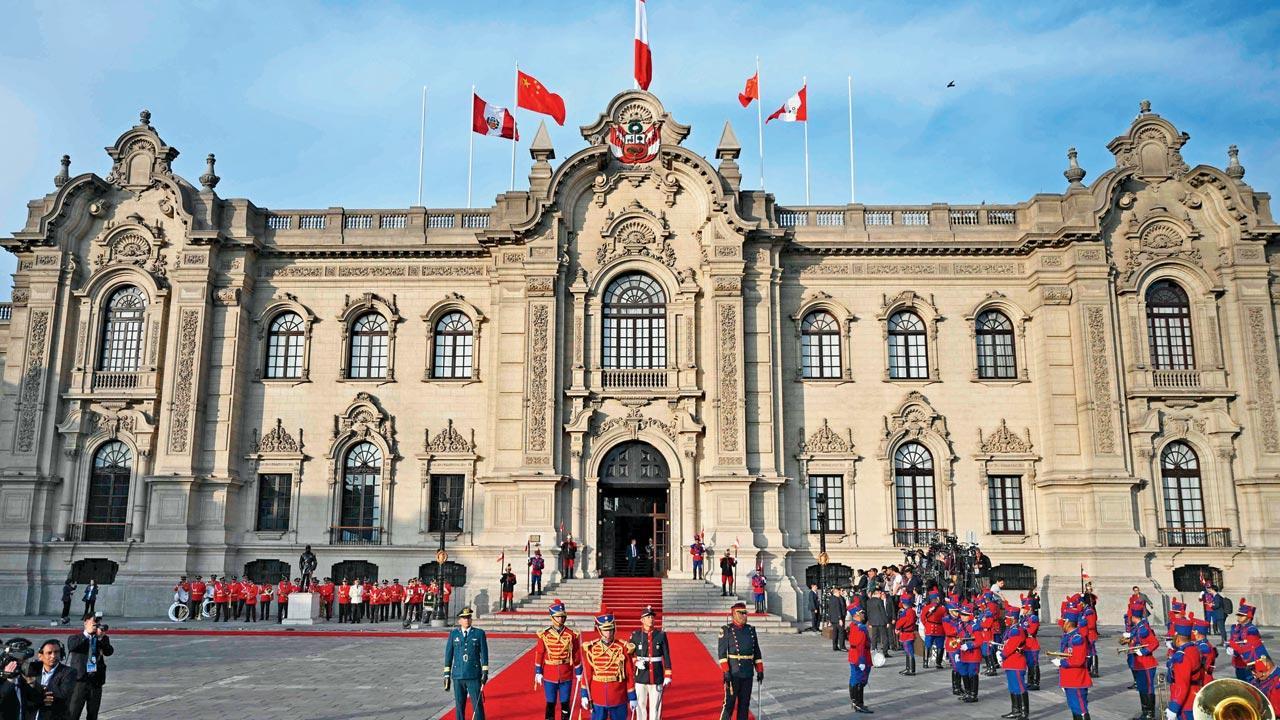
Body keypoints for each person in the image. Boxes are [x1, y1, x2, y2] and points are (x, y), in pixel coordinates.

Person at [582, 610, 637, 720]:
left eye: (610, 630)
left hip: (618, 696)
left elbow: (629, 674)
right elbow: (587, 674)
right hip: (598, 696)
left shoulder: (623, 648)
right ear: (599, 630)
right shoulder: (592, 649)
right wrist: (584, 694)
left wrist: (632, 696)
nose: (608, 633)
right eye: (605, 630)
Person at [535, 599, 582, 720]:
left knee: (565, 703)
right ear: (552, 617)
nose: (560, 619)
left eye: (562, 616)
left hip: (566, 673)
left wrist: (578, 672)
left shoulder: (571, 634)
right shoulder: (545, 635)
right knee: (550, 703)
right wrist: (538, 672)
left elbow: (576, 653)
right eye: (558, 616)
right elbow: (540, 653)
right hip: (550, 673)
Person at [717, 602, 762, 720]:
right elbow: (722, 654)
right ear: (734, 614)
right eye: (741, 613)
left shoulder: (751, 630)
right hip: (734, 672)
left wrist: (760, 669)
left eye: (745, 613)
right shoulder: (726, 630)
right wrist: (726, 671)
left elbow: (756, 651)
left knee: (744, 703)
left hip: (748, 672)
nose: (744, 616)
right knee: (729, 704)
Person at [443, 607, 488, 720]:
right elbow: (449, 654)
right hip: (458, 675)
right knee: (459, 704)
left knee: (477, 704)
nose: (466, 620)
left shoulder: (479, 633)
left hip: (473, 675)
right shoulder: (454, 634)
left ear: (471, 619)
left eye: (468, 618)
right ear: (459, 621)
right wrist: (447, 674)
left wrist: (485, 672)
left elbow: (484, 654)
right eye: (464, 618)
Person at [66, 616, 113, 720]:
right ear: (85, 622)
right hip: (80, 680)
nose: (96, 625)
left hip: (96, 681)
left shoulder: (102, 638)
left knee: (93, 714)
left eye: (98, 622)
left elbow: (109, 651)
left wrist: (100, 638)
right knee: (73, 712)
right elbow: (72, 646)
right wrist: (87, 634)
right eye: (94, 622)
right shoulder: (76, 637)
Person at [630, 606, 672, 720]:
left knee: (656, 707)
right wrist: (636, 662)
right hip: (640, 675)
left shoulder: (661, 635)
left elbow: (666, 655)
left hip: (656, 675)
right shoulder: (635, 635)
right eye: (648, 617)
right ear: (642, 620)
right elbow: (629, 653)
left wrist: (668, 675)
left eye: (652, 617)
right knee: (640, 704)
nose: (651, 619)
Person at [1052, 606, 1092, 720]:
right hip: (1070, 679)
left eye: (1064, 620)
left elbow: (1078, 660)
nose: (1062, 623)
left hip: (1076, 679)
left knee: (1080, 708)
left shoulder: (1077, 638)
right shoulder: (1069, 637)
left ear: (1068, 622)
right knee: (1074, 707)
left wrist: (1061, 663)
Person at [1123, 604, 1160, 720]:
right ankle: (1145, 712)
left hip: (1146, 664)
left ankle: (1150, 714)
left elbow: (1154, 643)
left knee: (1148, 688)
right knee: (1142, 688)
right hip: (1139, 664)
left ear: (1134, 617)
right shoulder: (1138, 628)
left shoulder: (1144, 628)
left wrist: (1143, 652)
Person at [1166, 615, 1204, 720]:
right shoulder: (1193, 649)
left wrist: (1174, 707)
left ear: (1177, 637)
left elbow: (1182, 685)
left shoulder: (1181, 656)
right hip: (1195, 696)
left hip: (1185, 703)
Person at [998, 604, 1029, 720]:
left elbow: (1010, 646)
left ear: (1014, 619)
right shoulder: (1011, 629)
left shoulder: (1016, 631)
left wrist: (1002, 654)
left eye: (1008, 618)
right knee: (1012, 687)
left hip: (1016, 663)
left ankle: (1024, 713)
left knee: (1020, 687)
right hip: (1011, 663)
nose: (1005, 620)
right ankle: (1015, 710)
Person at [34, 639, 75, 720]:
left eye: (56, 652)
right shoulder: (33, 670)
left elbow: (63, 694)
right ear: (40, 656)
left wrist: (37, 693)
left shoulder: (69, 672)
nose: (53, 656)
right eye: (49, 653)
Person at [1226, 599, 1263, 681]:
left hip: (1248, 663)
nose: (1239, 617)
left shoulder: (1251, 630)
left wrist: (1235, 649)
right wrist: (1228, 647)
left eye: (1242, 615)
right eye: (1238, 615)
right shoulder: (1235, 627)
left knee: (1250, 683)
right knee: (1240, 681)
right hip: (1238, 662)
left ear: (1249, 617)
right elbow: (1231, 640)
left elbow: (1250, 647)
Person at [952, 604, 982, 703]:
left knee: (972, 674)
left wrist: (969, 646)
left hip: (973, 654)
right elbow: (958, 640)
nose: (963, 616)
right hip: (963, 654)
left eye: (965, 615)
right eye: (962, 614)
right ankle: (967, 692)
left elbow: (979, 641)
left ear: (970, 615)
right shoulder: (960, 625)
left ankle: (973, 695)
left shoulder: (975, 626)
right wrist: (956, 652)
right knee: (964, 673)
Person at [1020, 598, 1042, 691]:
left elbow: (1031, 631)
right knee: (1029, 664)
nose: (1023, 610)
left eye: (1025, 608)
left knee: (1034, 663)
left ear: (1029, 608)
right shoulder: (1025, 618)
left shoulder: (1033, 618)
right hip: (1026, 644)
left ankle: (1035, 682)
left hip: (1032, 644)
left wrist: (1024, 629)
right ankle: (1030, 681)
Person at [895, 590, 918, 676]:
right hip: (906, 633)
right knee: (907, 651)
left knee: (910, 651)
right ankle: (908, 668)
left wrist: (898, 627)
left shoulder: (909, 612)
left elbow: (904, 621)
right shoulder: (908, 611)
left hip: (908, 633)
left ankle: (911, 670)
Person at [921, 593, 946, 670]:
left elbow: (922, 618)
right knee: (940, 646)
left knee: (927, 645)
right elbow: (945, 619)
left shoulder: (926, 608)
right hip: (940, 629)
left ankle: (925, 662)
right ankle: (938, 663)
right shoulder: (942, 608)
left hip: (930, 629)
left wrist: (926, 625)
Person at [865, 590, 889, 658]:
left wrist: (869, 622)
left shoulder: (868, 601)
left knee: (874, 637)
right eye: (880, 593)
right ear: (876, 594)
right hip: (881, 621)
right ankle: (885, 652)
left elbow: (868, 612)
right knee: (884, 637)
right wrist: (886, 622)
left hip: (873, 622)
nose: (881, 594)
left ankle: (873, 650)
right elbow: (883, 612)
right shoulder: (879, 601)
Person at [827, 587, 847, 652]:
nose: (839, 593)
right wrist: (840, 618)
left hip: (833, 619)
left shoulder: (831, 599)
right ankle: (842, 646)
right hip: (838, 619)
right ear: (836, 592)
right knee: (841, 632)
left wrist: (829, 619)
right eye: (839, 592)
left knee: (835, 633)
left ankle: (835, 646)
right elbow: (838, 609)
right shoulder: (837, 599)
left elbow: (829, 610)